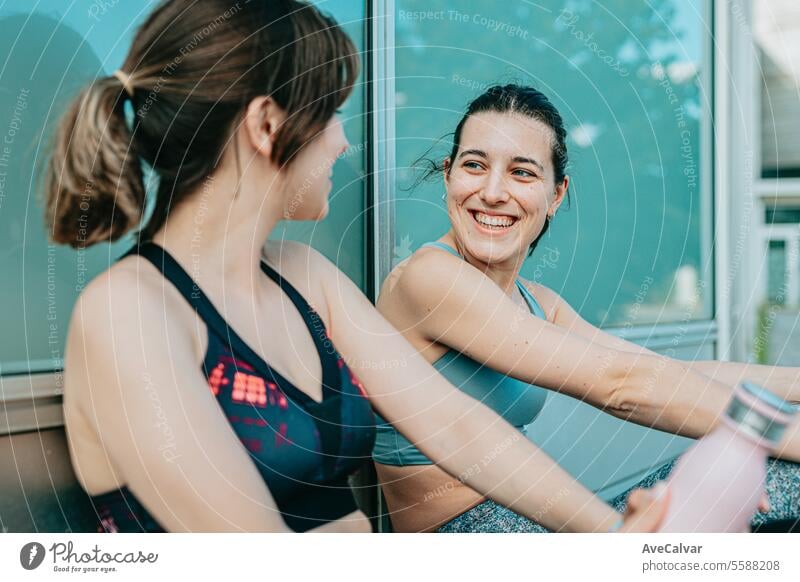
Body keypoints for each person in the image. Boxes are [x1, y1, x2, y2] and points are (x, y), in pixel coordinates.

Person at [45, 1, 665, 533]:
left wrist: (612, 534)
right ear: (267, 125)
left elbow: (456, 427)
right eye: (331, 113)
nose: (343, 140)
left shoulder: (302, 277)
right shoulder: (126, 313)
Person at [372, 84, 800, 533]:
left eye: (522, 173)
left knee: (771, 480)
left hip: (548, 525)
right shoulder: (428, 277)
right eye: (475, 165)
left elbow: (658, 371)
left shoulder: (537, 303)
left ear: (556, 195)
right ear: (448, 175)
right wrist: (781, 432)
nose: (493, 192)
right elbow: (621, 386)